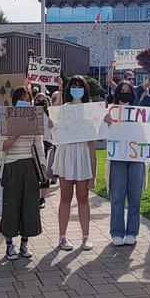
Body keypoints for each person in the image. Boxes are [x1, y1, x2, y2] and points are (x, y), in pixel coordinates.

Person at [0, 87, 46, 260]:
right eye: (22, 98)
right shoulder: (6, 117)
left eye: (28, 98)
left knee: (30, 206)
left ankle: (24, 244)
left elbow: (38, 145)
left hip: (30, 166)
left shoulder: (34, 117)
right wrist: (15, 135)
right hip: (11, 165)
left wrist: (43, 167)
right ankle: (9, 245)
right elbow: (0, 145)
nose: (26, 101)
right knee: (11, 206)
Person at [52, 76, 97, 251]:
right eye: (73, 86)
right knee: (65, 198)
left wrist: (93, 173)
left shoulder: (90, 111)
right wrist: (59, 89)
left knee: (83, 197)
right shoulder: (64, 109)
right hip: (66, 155)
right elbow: (54, 118)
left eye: (80, 86)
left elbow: (92, 145)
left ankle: (86, 236)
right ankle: (62, 237)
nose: (76, 89)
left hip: (83, 156)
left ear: (85, 89)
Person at [104, 81, 148, 245]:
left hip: (136, 159)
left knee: (135, 196)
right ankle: (117, 232)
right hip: (118, 158)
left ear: (132, 94)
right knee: (117, 196)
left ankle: (132, 232)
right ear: (117, 93)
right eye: (122, 90)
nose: (125, 93)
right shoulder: (110, 112)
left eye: (127, 90)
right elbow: (102, 133)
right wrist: (105, 122)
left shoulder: (140, 113)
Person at [34, 92, 53, 207]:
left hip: (46, 143)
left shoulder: (49, 113)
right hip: (35, 145)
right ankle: (35, 196)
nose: (41, 102)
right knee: (36, 171)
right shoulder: (31, 113)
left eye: (43, 100)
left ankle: (42, 198)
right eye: (38, 100)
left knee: (44, 171)